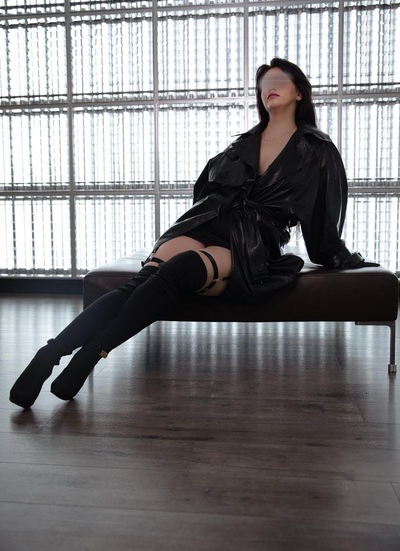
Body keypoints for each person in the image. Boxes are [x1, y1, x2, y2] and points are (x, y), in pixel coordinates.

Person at [9, 57, 371, 410]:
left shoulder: (318, 148)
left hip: (253, 239)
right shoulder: (242, 143)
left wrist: (338, 256)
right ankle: (50, 354)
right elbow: (205, 188)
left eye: (278, 82)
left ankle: (92, 351)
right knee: (141, 280)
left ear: (299, 93)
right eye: (263, 84)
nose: (269, 89)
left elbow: (325, 213)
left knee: (181, 268)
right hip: (206, 221)